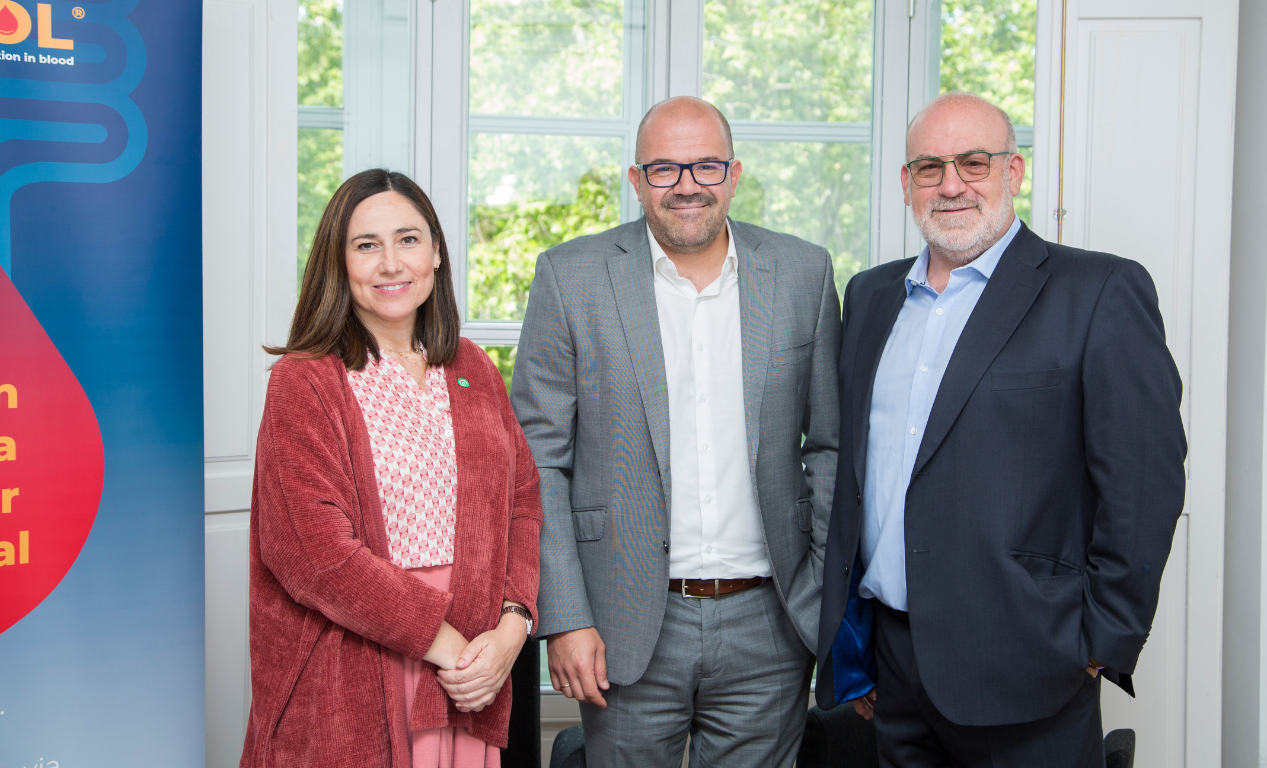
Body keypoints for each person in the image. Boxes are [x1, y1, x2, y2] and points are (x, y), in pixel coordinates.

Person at [814, 92, 1187, 767]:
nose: (950, 184)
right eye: (929, 167)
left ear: (1014, 172)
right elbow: (855, 478)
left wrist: (1103, 640)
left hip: (1031, 665)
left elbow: (1143, 483)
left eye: (974, 162)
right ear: (906, 184)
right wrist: (854, 643)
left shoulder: (1098, 292)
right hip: (892, 668)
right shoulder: (870, 297)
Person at [511, 96, 840, 767]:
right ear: (636, 181)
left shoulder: (804, 274)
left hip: (770, 622)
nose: (687, 184)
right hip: (622, 619)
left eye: (706, 166)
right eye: (664, 169)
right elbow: (538, 461)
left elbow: (829, 445)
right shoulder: (570, 277)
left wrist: (817, 596)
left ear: (735, 174)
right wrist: (566, 617)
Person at [241, 169, 542, 768]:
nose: (390, 264)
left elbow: (523, 500)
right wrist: (446, 644)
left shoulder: (471, 367)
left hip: (472, 667)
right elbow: (311, 552)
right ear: (339, 264)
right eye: (366, 245)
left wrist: (511, 630)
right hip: (360, 652)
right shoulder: (309, 380)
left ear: (435, 254)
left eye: (407, 240)